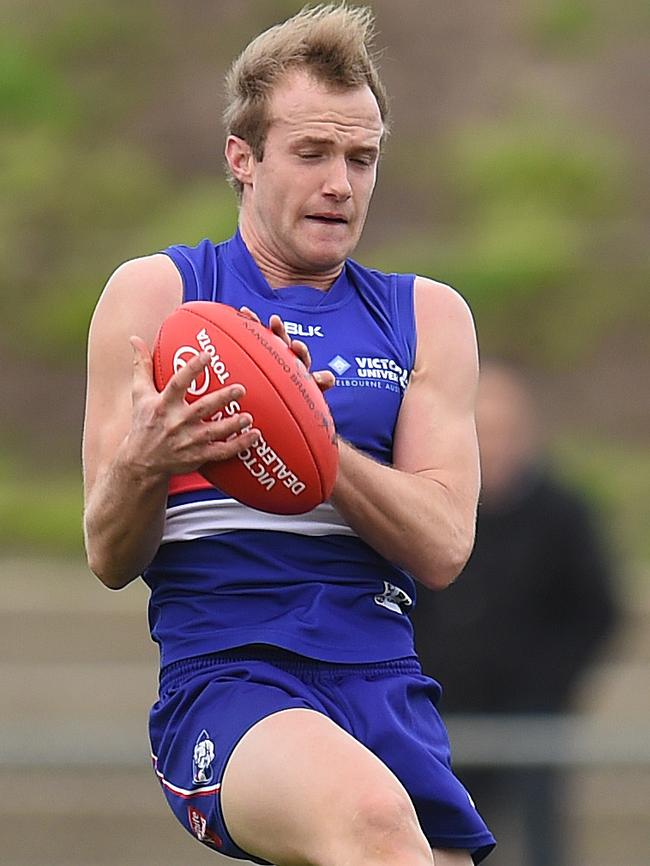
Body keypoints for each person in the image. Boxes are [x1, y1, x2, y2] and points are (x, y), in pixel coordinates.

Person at [82, 5, 495, 865]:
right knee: (376, 828)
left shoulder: (426, 317)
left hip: (383, 680)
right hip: (231, 676)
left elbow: (446, 545)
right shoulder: (159, 298)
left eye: (362, 157)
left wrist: (314, 444)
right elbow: (109, 555)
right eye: (312, 154)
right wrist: (145, 463)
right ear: (244, 159)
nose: (341, 183)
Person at [411, 360, 618, 866]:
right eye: (485, 432)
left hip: (530, 724)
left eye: (507, 432)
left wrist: (547, 688)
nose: (497, 446)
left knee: (538, 843)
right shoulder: (428, 510)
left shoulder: (563, 514)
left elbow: (595, 610)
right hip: (439, 717)